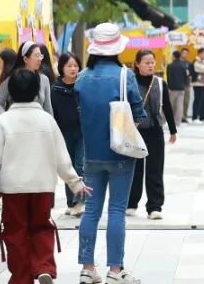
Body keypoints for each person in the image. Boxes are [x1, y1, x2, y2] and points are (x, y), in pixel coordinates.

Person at [0, 69, 90, 284]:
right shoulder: (47, 120)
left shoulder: (3, 121)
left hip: (13, 188)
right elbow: (62, 157)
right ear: (37, 92)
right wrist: (75, 183)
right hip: (43, 186)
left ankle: (21, 277)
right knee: (42, 226)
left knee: (15, 232)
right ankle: (43, 267)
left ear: (11, 92)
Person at [75, 23, 147, 284]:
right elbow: (138, 113)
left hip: (91, 154)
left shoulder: (82, 78)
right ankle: (115, 270)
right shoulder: (124, 75)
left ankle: (87, 268)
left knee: (91, 210)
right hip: (120, 153)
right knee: (117, 210)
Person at [127, 49, 178, 220]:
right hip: (135, 131)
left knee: (155, 168)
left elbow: (167, 107)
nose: (150, 65)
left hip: (155, 130)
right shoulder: (130, 83)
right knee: (135, 168)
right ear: (137, 64)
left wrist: (173, 130)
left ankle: (154, 207)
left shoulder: (160, 83)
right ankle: (131, 203)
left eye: (152, 62)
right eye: (146, 62)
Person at [51, 52, 86, 217]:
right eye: (69, 66)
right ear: (62, 68)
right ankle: (71, 202)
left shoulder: (83, 86)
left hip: (82, 131)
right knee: (67, 166)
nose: (73, 69)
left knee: (80, 165)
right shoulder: (55, 89)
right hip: (63, 132)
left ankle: (80, 202)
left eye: (76, 65)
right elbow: (53, 113)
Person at [0, 41, 54, 116]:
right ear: (25, 59)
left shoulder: (44, 80)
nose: (39, 59)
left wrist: (49, 121)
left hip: (37, 122)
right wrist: (7, 118)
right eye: (36, 56)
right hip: (16, 121)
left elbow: (48, 108)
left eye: (40, 55)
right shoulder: (12, 79)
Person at [165, 50, 189, 130]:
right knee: (180, 105)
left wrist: (169, 86)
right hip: (181, 88)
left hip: (172, 88)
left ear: (173, 56)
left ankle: (167, 120)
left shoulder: (170, 66)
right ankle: (177, 121)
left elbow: (168, 77)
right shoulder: (183, 65)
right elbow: (186, 76)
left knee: (170, 105)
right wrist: (184, 84)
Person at [192, 48, 204, 122]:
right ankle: (195, 117)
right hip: (198, 84)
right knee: (198, 101)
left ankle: (202, 117)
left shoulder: (203, 62)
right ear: (200, 54)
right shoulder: (196, 62)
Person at [180, 49, 194, 122]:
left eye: (186, 53)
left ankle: (184, 117)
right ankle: (178, 116)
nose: (185, 54)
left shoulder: (189, 63)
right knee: (179, 102)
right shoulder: (178, 63)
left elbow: (192, 73)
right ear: (181, 53)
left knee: (186, 101)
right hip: (179, 85)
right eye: (184, 53)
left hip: (187, 84)